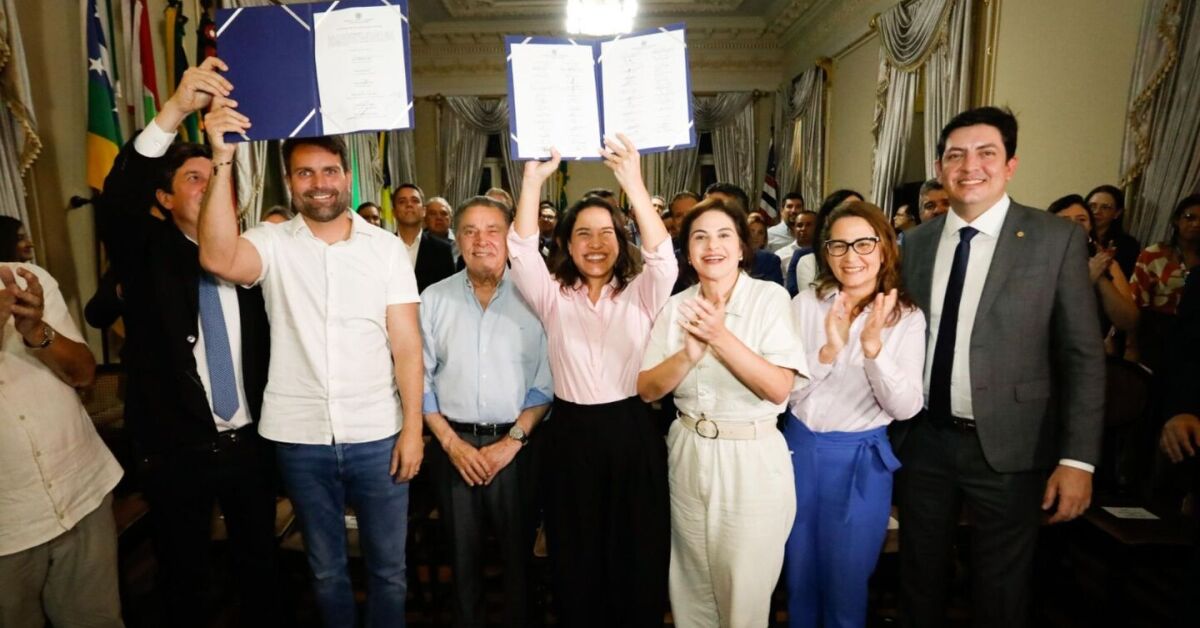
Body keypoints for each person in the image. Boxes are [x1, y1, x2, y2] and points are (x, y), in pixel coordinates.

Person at [201, 97, 425, 628]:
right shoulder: (270, 243)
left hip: (378, 433)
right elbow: (216, 257)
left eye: (329, 171)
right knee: (325, 571)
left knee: (390, 570)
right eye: (305, 172)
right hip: (299, 436)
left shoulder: (385, 248)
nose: (319, 183)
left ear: (346, 177)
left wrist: (413, 428)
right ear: (289, 181)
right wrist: (222, 158)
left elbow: (407, 345)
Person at [895, 106, 1104, 628]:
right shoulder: (917, 243)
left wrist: (1078, 461)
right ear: (940, 168)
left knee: (1001, 592)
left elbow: (1082, 355)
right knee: (919, 581)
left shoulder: (1054, 238)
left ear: (1010, 165)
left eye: (986, 153)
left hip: (1012, 447)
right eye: (956, 155)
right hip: (924, 442)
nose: (970, 166)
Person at [93, 57, 277, 627]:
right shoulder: (145, 251)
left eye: (212, 175)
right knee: (185, 581)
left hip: (250, 446)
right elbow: (119, 196)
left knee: (261, 576)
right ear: (165, 199)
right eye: (192, 179)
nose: (206, 184)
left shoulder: (254, 255)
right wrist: (174, 110)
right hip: (176, 449)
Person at [507, 135, 675, 628]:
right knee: (576, 557)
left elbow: (663, 259)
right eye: (583, 233)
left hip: (632, 432)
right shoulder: (553, 296)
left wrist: (633, 183)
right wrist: (532, 181)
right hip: (570, 436)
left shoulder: (642, 294)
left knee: (635, 554)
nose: (596, 244)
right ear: (565, 243)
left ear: (622, 241)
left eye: (606, 232)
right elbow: (521, 251)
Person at [638, 198, 806, 628]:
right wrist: (688, 355)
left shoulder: (769, 298)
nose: (712, 246)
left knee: (743, 594)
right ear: (688, 251)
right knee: (691, 588)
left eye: (723, 235)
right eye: (700, 237)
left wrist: (719, 337)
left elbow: (778, 388)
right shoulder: (677, 306)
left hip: (751, 456)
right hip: (687, 452)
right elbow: (648, 388)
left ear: (742, 246)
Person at [784, 201, 925, 628]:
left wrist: (873, 350)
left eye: (864, 243)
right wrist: (828, 351)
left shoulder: (906, 316)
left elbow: (906, 407)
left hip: (861, 460)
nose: (851, 256)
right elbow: (783, 393)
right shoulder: (806, 305)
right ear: (825, 253)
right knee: (798, 575)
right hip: (798, 452)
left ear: (884, 247)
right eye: (839, 245)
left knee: (847, 580)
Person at [420, 196, 553, 628]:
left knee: (519, 561)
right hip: (452, 447)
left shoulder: (538, 297)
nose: (482, 241)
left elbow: (548, 379)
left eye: (492, 230)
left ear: (510, 238)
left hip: (518, 446)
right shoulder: (433, 298)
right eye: (470, 231)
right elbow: (419, 378)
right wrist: (450, 443)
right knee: (462, 560)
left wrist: (511, 443)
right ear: (457, 240)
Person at [0, 264, 124, 628]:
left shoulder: (23, 278)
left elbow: (84, 373)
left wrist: (36, 330)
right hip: (8, 527)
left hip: (82, 491)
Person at [1047, 194, 1139, 348]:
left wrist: (1101, 276)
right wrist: (1087, 280)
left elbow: (1128, 321)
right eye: (1064, 220)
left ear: (1090, 227)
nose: (1074, 226)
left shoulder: (1107, 264)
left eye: (1081, 220)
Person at [1128, 194, 1200, 369]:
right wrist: (1131, 345)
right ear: (1176, 220)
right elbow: (1135, 301)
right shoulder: (1154, 254)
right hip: (1156, 334)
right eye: (1190, 217)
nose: (1196, 224)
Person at [703, 183, 783, 287]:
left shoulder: (766, 263)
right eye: (705, 210)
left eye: (719, 210)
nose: (710, 216)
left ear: (742, 218)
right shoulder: (688, 260)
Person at [789, 189, 864, 296]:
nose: (855, 215)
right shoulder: (809, 262)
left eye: (860, 209)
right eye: (847, 210)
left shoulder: (874, 255)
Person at [394, 183, 456, 293]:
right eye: (402, 201)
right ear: (393, 212)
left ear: (424, 211)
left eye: (415, 201)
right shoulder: (382, 247)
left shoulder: (443, 250)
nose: (409, 205)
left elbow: (449, 293)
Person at [1086, 184, 1140, 277]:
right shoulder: (1075, 239)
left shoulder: (1128, 244)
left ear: (1117, 213)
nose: (1096, 212)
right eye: (1092, 206)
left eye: (1105, 207)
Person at [776, 209, 817, 284]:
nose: (803, 229)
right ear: (794, 229)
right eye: (799, 225)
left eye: (808, 225)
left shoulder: (826, 253)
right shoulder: (780, 255)